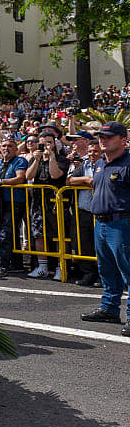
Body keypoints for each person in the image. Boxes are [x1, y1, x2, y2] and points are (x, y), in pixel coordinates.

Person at [80, 121, 130, 334]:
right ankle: (109, 308)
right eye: (101, 136)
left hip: (122, 223)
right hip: (100, 222)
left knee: (128, 270)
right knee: (107, 269)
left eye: (108, 136)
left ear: (123, 139)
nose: (102, 140)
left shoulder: (128, 163)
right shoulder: (100, 162)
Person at [24, 131, 68, 279]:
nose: (45, 146)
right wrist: (36, 160)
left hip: (55, 202)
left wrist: (51, 157)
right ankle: (42, 266)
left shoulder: (61, 158)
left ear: (55, 143)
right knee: (39, 234)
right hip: (37, 202)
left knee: (58, 235)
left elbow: (55, 175)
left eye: (49, 142)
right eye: (42, 143)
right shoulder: (34, 158)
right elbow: (28, 176)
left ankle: (61, 266)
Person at [0, 139, 29, 277]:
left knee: (6, 232)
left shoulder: (20, 161)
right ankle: (16, 263)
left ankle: (2, 265)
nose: (6, 148)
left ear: (16, 149)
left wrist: (0, 181)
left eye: (10, 146)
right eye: (4, 146)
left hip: (16, 201)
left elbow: (20, 178)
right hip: (0, 201)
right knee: (8, 232)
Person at [67, 136, 100, 286]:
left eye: (96, 151)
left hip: (102, 212)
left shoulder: (107, 164)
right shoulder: (84, 164)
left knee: (102, 246)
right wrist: (86, 180)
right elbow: (69, 181)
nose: (93, 154)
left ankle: (103, 276)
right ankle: (89, 273)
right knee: (84, 243)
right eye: (91, 151)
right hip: (83, 210)